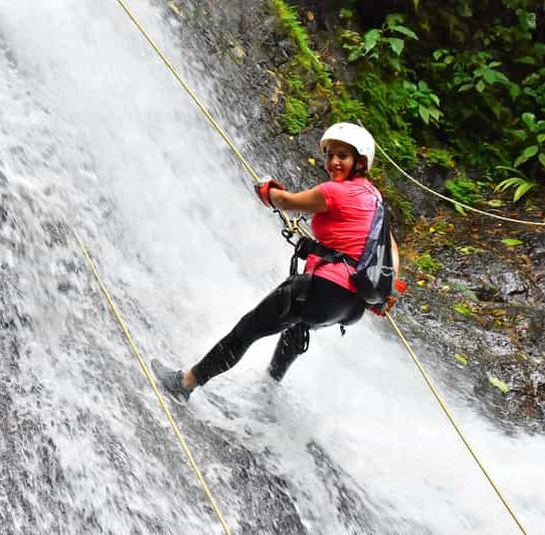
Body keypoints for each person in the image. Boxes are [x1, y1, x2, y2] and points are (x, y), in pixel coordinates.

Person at [151, 122, 399, 402]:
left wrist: (266, 191)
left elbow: (285, 201)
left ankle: (186, 383)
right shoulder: (374, 199)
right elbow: (390, 247)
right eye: (330, 155)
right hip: (352, 306)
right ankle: (270, 387)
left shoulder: (335, 192)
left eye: (342, 156)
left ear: (360, 162)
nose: (333, 162)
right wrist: (383, 290)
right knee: (297, 324)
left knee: (249, 327)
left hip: (325, 291)